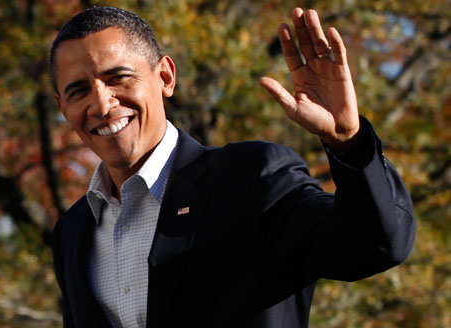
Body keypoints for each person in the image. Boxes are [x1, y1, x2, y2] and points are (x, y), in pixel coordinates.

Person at [49, 6, 415, 328]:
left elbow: (376, 245)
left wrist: (349, 143)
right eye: (78, 90)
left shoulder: (251, 179)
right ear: (63, 108)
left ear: (165, 77)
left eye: (117, 77)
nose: (101, 103)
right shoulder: (73, 230)